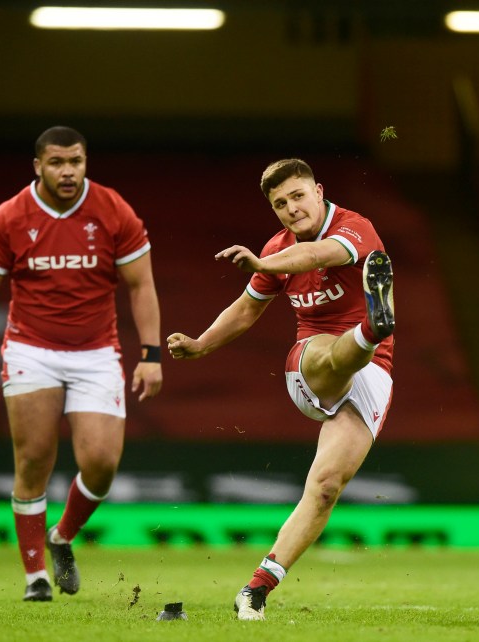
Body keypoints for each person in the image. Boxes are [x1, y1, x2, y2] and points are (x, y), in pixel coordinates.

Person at [167, 158, 395, 621]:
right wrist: (200, 345)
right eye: (280, 204)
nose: (291, 208)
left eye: (297, 196)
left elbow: (317, 256)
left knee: (327, 487)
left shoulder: (354, 228)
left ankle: (255, 590)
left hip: (371, 373)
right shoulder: (277, 249)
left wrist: (262, 260)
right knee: (328, 352)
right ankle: (372, 329)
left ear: (319, 191)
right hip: (309, 365)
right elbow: (247, 310)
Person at [0, 126, 163, 602]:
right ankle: (35, 578)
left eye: (76, 161)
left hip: (96, 352)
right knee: (33, 460)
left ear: (86, 162)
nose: (67, 171)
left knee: (102, 464)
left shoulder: (114, 210)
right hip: (31, 350)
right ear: (38, 166)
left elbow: (141, 285)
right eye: (56, 163)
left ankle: (62, 536)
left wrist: (150, 355)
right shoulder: (9, 217)